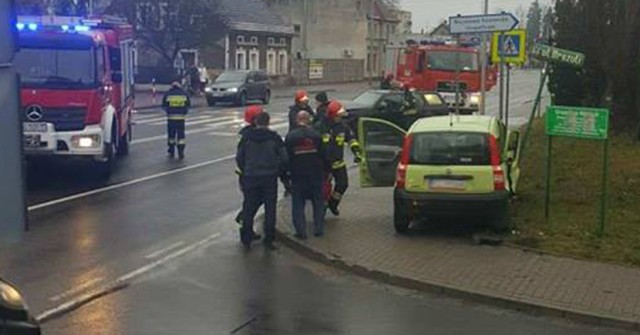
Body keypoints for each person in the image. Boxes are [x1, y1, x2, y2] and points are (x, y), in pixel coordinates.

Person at [236, 112, 289, 250]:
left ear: (256, 122)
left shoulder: (247, 137)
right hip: (269, 177)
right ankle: (269, 239)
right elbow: (284, 158)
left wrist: (246, 170)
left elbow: (239, 157)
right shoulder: (274, 138)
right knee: (270, 208)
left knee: (248, 206)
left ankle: (246, 238)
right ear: (268, 122)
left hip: (251, 176)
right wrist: (277, 170)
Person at [285, 111, 329, 239]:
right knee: (318, 202)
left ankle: (301, 231)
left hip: (297, 175)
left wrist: (286, 176)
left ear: (297, 120)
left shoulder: (291, 136)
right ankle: (318, 229)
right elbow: (324, 155)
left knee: (298, 204)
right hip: (316, 174)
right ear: (309, 120)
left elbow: (286, 158)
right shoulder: (316, 135)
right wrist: (327, 171)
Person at [324, 100, 363, 216]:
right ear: (332, 115)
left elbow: (352, 140)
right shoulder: (322, 127)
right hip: (325, 165)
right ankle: (321, 208)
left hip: (339, 163)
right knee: (324, 189)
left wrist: (357, 153)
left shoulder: (343, 127)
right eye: (338, 116)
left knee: (343, 184)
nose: (340, 117)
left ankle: (333, 204)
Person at [234, 105, 265, 241]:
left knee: (252, 201)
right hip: (249, 175)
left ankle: (245, 226)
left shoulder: (246, 133)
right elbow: (242, 157)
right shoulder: (249, 135)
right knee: (253, 201)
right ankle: (245, 227)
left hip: (247, 174)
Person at [162, 80, 191, 159]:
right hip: (181, 119)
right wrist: (184, 111)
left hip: (171, 118)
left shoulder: (168, 94)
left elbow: (164, 105)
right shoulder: (184, 94)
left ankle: (171, 150)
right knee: (181, 136)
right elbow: (188, 105)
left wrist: (168, 111)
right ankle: (181, 152)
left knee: (171, 135)